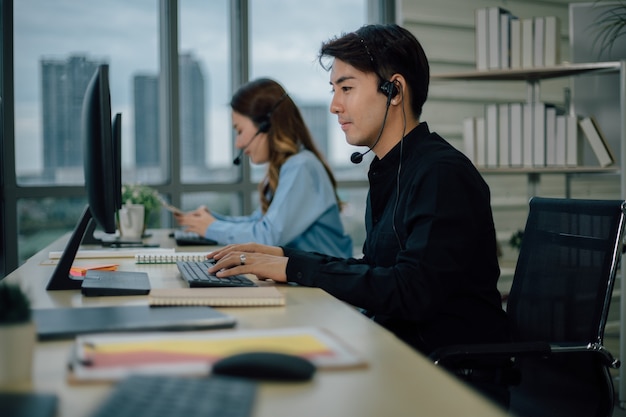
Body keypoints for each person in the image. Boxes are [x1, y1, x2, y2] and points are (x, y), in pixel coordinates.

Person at [208, 24, 510, 398]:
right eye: (334, 90)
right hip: (400, 357)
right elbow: (376, 268)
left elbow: (411, 290)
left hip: (447, 378)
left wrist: (294, 267)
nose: (335, 105)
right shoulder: (391, 169)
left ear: (394, 90)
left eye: (346, 88)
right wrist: (287, 257)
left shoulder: (441, 174)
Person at [175, 78, 353, 258]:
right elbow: (259, 222)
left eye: (239, 130)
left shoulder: (301, 166)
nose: (238, 143)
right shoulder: (286, 167)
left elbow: (267, 236)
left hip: (324, 284)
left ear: (265, 126)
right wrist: (213, 220)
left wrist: (211, 227)